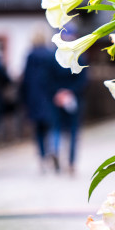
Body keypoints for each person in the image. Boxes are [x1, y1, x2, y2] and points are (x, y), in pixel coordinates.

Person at [19, 24, 61, 173]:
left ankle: (43, 158)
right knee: (53, 126)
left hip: (34, 98)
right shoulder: (51, 54)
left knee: (38, 130)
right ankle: (54, 149)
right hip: (49, 97)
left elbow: (25, 80)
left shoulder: (30, 56)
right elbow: (56, 76)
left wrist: (23, 98)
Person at [51, 25, 88, 176]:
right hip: (74, 98)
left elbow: (49, 77)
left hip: (57, 98)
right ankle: (71, 162)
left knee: (57, 128)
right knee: (73, 131)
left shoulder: (54, 55)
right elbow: (84, 80)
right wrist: (70, 92)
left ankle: (55, 150)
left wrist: (59, 93)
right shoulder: (80, 55)